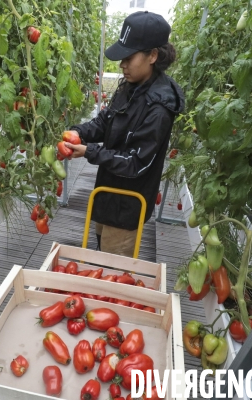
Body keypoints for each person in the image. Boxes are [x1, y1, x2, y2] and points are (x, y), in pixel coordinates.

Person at [65, 11, 185, 257]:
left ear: (153, 55)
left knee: (113, 269)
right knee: (101, 255)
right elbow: (105, 121)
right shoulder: (131, 87)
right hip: (108, 194)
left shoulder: (159, 107)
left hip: (128, 205)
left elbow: (135, 163)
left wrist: (90, 151)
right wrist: (77, 132)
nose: (122, 65)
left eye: (129, 57)